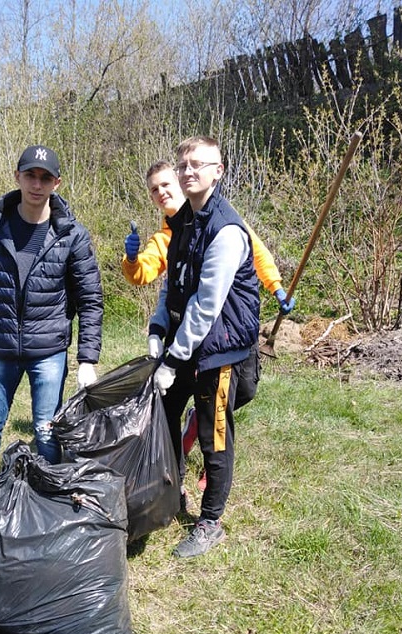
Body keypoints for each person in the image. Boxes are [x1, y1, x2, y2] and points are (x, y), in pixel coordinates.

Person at [123, 159, 294, 498]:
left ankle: (200, 427)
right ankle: (189, 468)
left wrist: (275, 285)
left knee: (245, 392)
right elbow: (147, 275)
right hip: (197, 338)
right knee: (201, 411)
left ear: (181, 183)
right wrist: (131, 261)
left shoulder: (219, 221)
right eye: (154, 189)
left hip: (232, 329)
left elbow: (256, 251)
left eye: (166, 185)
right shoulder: (166, 237)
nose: (161, 193)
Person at [0, 144, 103, 524]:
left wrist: (87, 358)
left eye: (45, 178)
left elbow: (90, 299)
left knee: (46, 430)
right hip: (1, 347)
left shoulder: (71, 234)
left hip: (48, 350)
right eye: (30, 175)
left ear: (57, 183)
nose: (37, 185)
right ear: (17, 177)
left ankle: (49, 499)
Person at [147, 136, 260, 558]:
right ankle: (172, 493)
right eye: (183, 164)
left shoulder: (225, 230)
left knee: (214, 433)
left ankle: (210, 522)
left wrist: (172, 359)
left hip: (221, 346)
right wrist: (159, 325)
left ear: (218, 171)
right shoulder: (182, 222)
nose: (188, 171)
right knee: (165, 414)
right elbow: (172, 283)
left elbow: (207, 306)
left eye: (198, 164)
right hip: (186, 339)